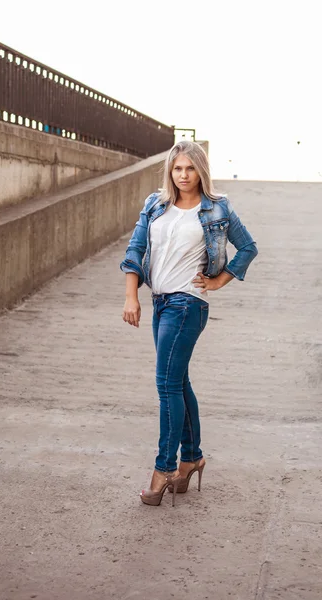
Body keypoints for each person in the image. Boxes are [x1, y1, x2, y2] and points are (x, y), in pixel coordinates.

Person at [120, 141, 258, 507]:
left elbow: (247, 248)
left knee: (166, 384)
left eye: (190, 169)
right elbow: (134, 251)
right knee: (177, 381)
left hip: (188, 303)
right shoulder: (155, 204)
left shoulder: (216, 209)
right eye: (177, 169)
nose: (183, 176)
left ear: (201, 171)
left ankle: (164, 468)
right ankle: (192, 456)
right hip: (160, 302)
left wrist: (217, 281)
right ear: (170, 171)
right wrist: (131, 296)